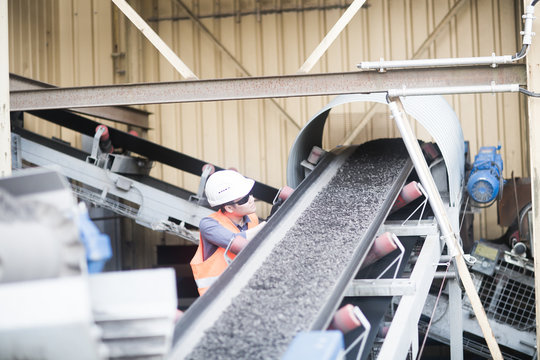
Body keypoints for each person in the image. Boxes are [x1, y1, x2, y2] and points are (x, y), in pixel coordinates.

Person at [190, 170, 266, 295]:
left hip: (248, 289)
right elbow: (237, 242)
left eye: (250, 194)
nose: (252, 199)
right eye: (245, 199)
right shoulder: (209, 225)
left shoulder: (252, 217)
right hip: (217, 297)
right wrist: (268, 225)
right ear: (229, 208)